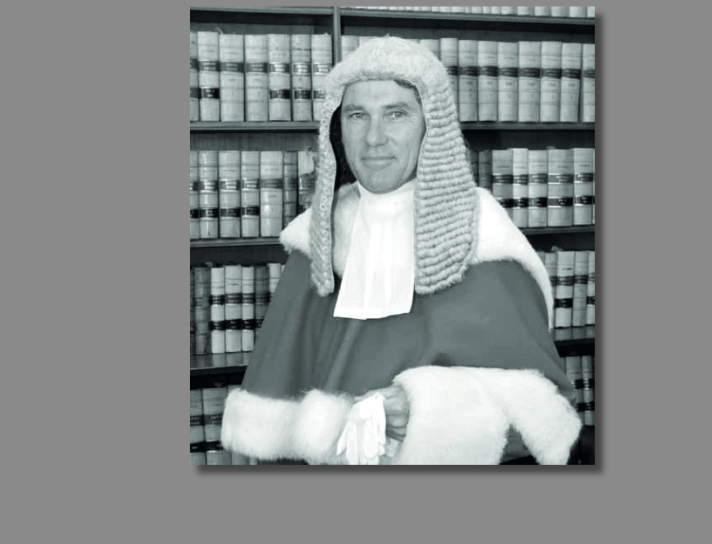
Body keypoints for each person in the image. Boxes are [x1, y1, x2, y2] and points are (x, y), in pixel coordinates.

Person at [221, 36, 581, 465]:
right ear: (337, 129)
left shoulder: (484, 240)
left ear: (432, 126)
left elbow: (543, 413)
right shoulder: (313, 242)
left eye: (396, 114)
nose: (374, 138)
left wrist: (426, 409)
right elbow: (270, 416)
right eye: (357, 115)